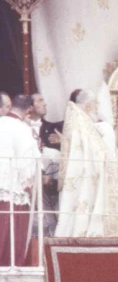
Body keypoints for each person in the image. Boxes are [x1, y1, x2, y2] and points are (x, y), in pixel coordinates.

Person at [55, 88, 118, 237]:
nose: (97, 109)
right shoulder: (83, 126)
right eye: (94, 105)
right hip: (87, 174)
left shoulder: (90, 125)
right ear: (88, 105)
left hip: (97, 172)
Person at [0, 95, 40, 266]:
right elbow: (27, 161)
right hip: (11, 190)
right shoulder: (22, 128)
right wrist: (28, 185)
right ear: (29, 110)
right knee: (10, 237)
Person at [28, 93, 63, 237]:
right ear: (30, 106)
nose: (44, 104)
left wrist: (62, 142)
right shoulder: (21, 127)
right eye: (40, 100)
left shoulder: (54, 127)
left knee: (53, 219)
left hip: (49, 183)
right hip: (30, 181)